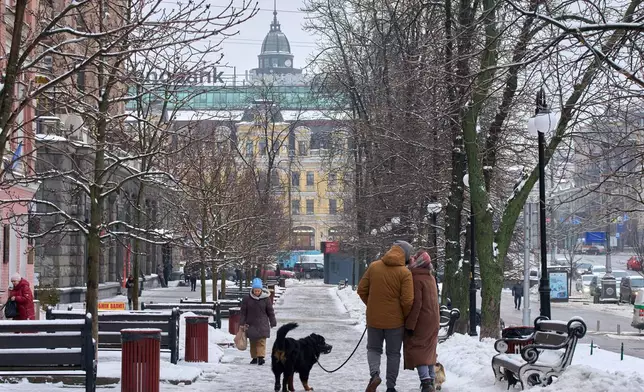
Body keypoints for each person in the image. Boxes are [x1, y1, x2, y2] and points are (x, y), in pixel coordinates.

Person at [358, 240, 415, 392]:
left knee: (373, 349)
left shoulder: (374, 267)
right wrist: (402, 315)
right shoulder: (405, 273)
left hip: (374, 320)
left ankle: (374, 375)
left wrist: (372, 306)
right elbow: (408, 301)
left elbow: (361, 290)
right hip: (395, 323)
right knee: (393, 354)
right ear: (405, 255)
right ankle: (390, 387)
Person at [403, 251, 440, 392]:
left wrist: (410, 325)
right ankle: (430, 380)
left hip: (421, 321)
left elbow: (416, 304)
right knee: (429, 351)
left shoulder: (415, 279)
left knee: (418, 349)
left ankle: (425, 382)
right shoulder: (430, 278)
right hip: (433, 320)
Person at [240, 278, 276, 365]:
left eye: (258, 290)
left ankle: (261, 357)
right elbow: (243, 312)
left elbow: (270, 311)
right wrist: (241, 323)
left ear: (261, 290)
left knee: (261, 341)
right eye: (255, 290)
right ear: (252, 290)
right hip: (251, 323)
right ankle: (254, 357)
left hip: (262, 323)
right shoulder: (247, 299)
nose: (257, 292)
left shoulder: (266, 299)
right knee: (253, 342)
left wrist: (272, 321)